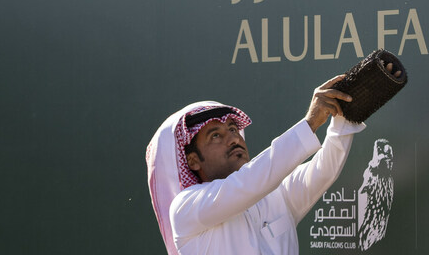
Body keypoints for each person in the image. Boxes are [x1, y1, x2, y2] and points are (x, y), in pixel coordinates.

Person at [146, 67, 401, 255]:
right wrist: (310, 123)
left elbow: (323, 170)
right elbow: (250, 183)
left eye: (234, 129)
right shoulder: (186, 208)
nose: (232, 138)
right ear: (192, 161)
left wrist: (344, 117)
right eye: (216, 135)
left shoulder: (276, 195)